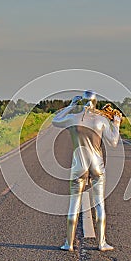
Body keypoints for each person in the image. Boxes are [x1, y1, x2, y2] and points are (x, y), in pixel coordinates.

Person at [52, 90, 121, 251]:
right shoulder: (102, 119)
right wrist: (116, 124)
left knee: (74, 204)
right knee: (99, 203)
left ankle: (68, 243)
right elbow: (114, 142)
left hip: (79, 165)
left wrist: (71, 106)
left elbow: (56, 121)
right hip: (97, 164)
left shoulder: (73, 119)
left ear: (81, 101)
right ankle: (101, 243)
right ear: (96, 102)